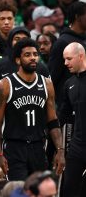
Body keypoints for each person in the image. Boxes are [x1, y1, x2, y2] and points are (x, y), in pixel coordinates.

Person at [0, 38, 65, 181]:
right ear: (18, 60)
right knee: (18, 191)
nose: (33, 58)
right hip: (14, 147)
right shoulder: (5, 85)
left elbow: (53, 120)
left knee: (40, 190)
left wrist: (60, 150)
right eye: (27, 55)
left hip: (38, 146)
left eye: (35, 54)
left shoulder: (47, 84)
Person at [48, 1, 86, 114]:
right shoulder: (62, 42)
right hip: (70, 108)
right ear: (77, 17)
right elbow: (52, 77)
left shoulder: (83, 40)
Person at [60, 42, 86, 197]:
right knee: (68, 189)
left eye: (69, 59)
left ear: (81, 56)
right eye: (64, 59)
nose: (65, 63)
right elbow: (62, 115)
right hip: (77, 146)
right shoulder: (69, 83)